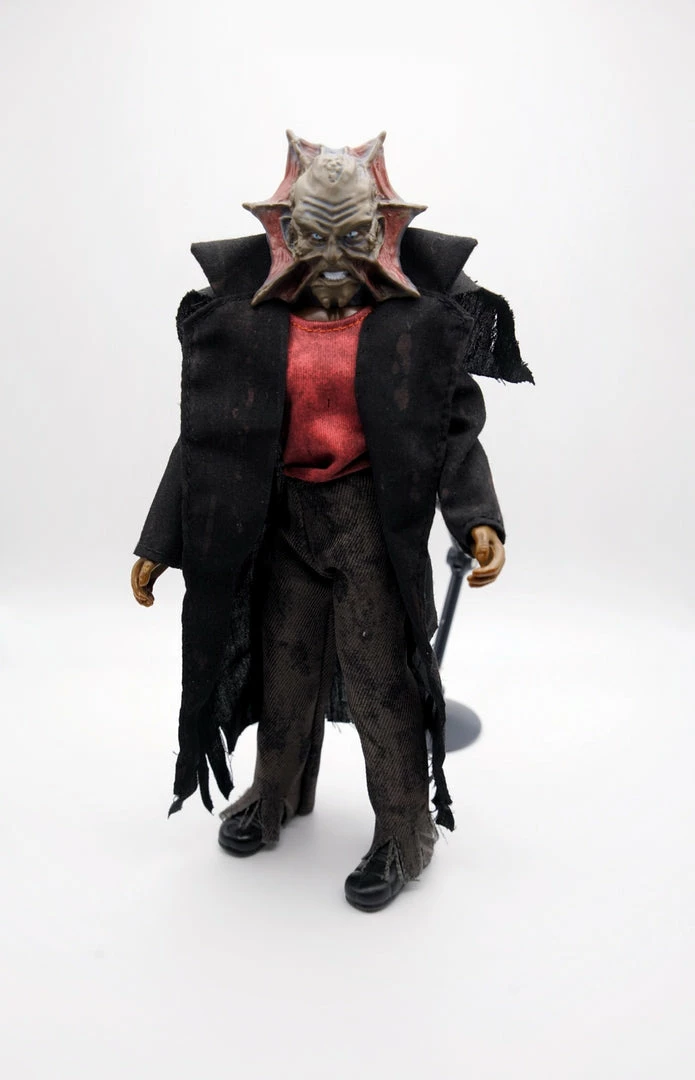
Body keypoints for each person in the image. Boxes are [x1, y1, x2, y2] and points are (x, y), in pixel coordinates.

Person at [131, 131, 532, 911]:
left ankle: (404, 831)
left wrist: (476, 518)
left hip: (368, 524)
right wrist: (161, 539)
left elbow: (450, 432)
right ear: (284, 233)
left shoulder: (411, 326)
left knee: (381, 681)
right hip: (282, 519)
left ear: (384, 231)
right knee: (286, 671)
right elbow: (208, 436)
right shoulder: (253, 323)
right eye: (316, 235)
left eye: (354, 235)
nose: (335, 255)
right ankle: (277, 792)